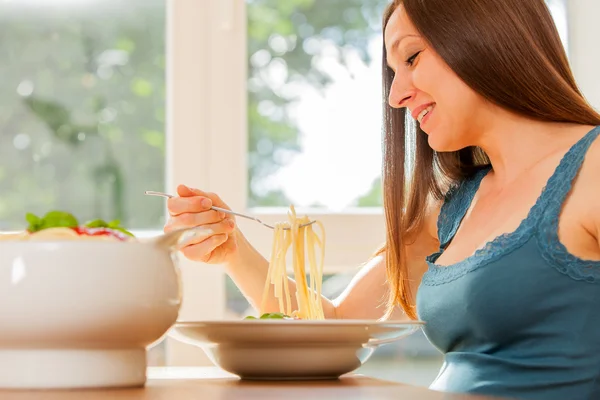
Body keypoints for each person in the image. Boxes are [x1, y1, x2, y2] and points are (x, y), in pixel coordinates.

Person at [164, 0, 600, 399]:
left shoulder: (593, 166)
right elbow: (333, 330)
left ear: (489, 34)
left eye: (411, 58)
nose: (396, 95)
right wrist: (235, 251)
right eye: (394, 73)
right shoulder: (453, 208)